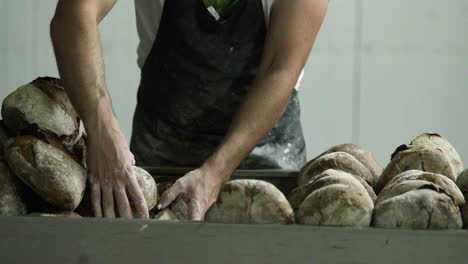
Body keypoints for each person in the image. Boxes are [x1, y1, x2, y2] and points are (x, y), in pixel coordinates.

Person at [50, 0, 328, 220]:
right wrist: (101, 130)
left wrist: (215, 172)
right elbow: (74, 16)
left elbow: (279, 68)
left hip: (267, 164)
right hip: (161, 157)